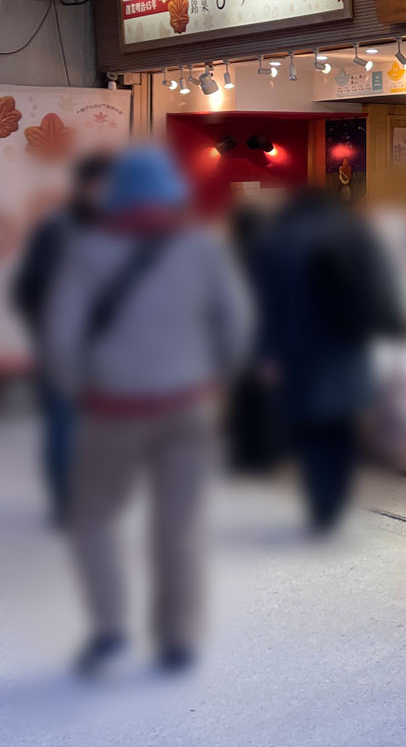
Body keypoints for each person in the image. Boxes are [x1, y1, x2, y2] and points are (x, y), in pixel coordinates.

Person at [42, 146, 253, 676]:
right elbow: (237, 326)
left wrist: (78, 390)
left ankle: (109, 630)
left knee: (93, 520)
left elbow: (61, 339)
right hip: (187, 407)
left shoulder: (88, 251)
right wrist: (217, 381)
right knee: (177, 527)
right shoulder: (203, 249)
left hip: (113, 409)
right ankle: (176, 638)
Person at [250, 186, 401, 533]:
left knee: (310, 427)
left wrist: (266, 353)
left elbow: (261, 304)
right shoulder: (355, 235)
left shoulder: (275, 241)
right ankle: (334, 498)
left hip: (298, 349)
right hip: (347, 346)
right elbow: (382, 287)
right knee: (342, 424)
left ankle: (322, 504)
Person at [10, 152, 112, 527]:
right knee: (65, 425)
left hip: (108, 350)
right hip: (66, 347)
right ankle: (68, 503)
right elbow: (27, 289)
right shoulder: (57, 230)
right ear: (87, 186)